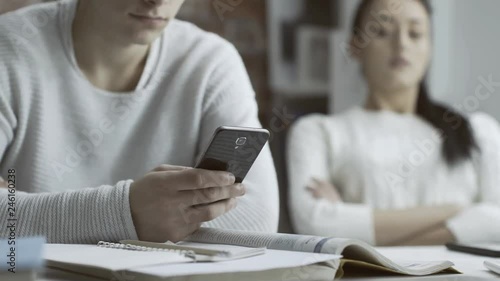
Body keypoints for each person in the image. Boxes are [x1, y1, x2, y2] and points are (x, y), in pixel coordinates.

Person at [0, 0, 279, 243]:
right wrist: (126, 212)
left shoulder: (210, 62)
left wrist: (36, 218)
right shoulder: (10, 46)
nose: (158, 1)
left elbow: (255, 217)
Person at [287, 0, 500, 246]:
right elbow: (315, 224)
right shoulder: (318, 132)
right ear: (356, 46)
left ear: (429, 47)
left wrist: (356, 228)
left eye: (415, 33)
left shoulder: (477, 132)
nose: (401, 44)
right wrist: (458, 210)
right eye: (382, 32)